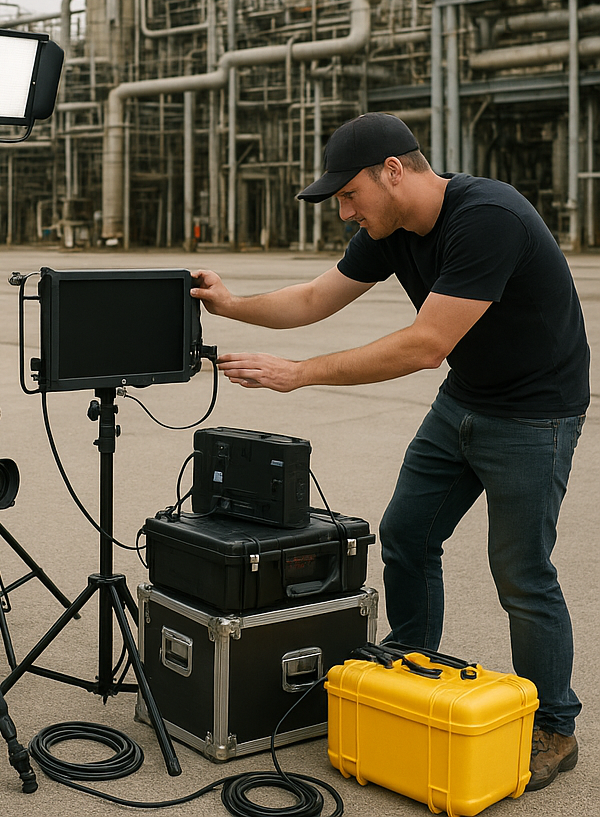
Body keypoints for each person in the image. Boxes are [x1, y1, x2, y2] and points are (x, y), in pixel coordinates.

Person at [191, 112, 588, 792]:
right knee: (406, 533)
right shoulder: (391, 229)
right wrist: (231, 306)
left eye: (349, 196)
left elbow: (424, 345)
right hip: (467, 398)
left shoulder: (487, 216)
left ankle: (555, 724)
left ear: (394, 171)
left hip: (534, 414)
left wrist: (300, 373)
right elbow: (318, 297)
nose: (345, 212)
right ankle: (411, 665)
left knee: (521, 571)